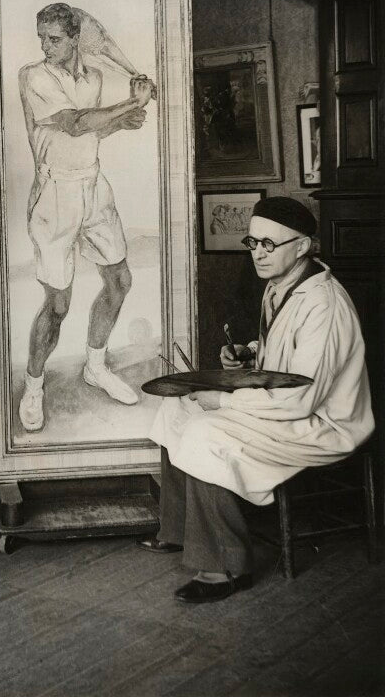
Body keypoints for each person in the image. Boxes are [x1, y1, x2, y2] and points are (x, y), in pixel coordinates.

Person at [138, 196, 374, 603]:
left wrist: (224, 402)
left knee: (204, 431)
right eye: (253, 242)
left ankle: (225, 567)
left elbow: (301, 399)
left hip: (321, 425)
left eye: (270, 244)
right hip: (288, 409)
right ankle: (180, 530)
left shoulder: (325, 306)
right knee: (176, 406)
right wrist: (249, 353)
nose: (258, 254)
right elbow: (286, 354)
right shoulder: (281, 285)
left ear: (303, 247)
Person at [17, 2, 154, 432]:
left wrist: (123, 121)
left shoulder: (93, 78)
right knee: (58, 304)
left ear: (75, 39)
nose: (45, 46)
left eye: (54, 39)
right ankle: (34, 385)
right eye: (42, 38)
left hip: (94, 186)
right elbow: (73, 124)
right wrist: (128, 102)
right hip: (54, 194)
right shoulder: (33, 76)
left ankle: (95, 366)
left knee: (120, 281)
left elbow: (92, 130)